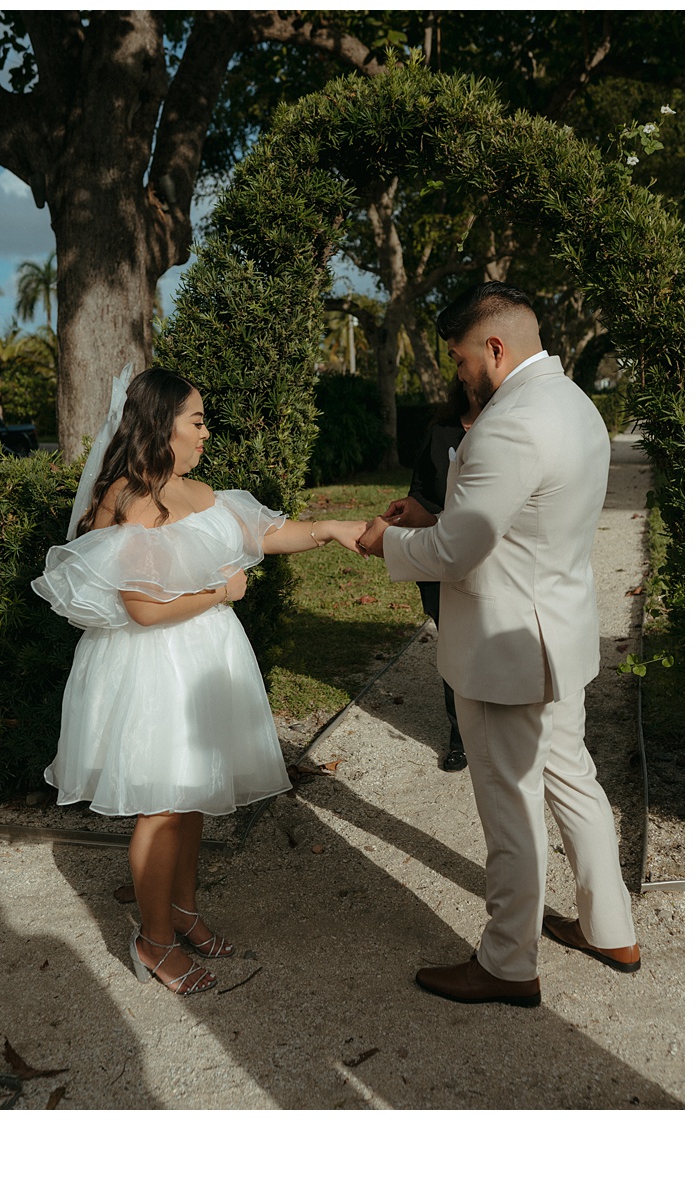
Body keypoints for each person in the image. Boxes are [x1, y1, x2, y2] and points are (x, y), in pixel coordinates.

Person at [33, 365, 368, 997]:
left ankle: (181, 911)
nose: (205, 432)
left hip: (203, 659)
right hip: (154, 667)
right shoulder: (132, 498)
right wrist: (221, 590)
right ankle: (152, 941)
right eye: (197, 420)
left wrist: (329, 530)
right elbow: (143, 608)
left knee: (189, 797)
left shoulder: (196, 491)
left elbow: (261, 533)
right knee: (161, 806)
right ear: (162, 426)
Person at [359, 281, 639, 1007]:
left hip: (507, 651)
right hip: (560, 635)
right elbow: (517, 515)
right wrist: (434, 508)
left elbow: (458, 550)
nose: (456, 373)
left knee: (509, 807)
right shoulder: (572, 401)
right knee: (572, 778)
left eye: (458, 359)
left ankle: (508, 963)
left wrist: (387, 541)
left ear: (494, 348)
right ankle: (611, 927)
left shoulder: (510, 421)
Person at [405, 378, 482, 771]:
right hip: (439, 558)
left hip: (489, 560)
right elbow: (418, 490)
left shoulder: (505, 429)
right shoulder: (441, 434)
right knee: (453, 644)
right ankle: (461, 736)